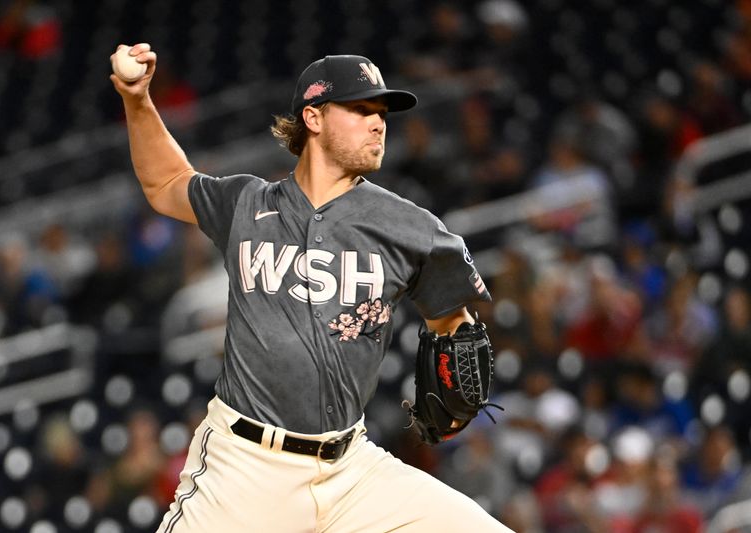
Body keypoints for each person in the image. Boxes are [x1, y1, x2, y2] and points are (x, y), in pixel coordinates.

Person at [111, 42, 512, 532]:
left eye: (382, 111)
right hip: (245, 468)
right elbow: (167, 181)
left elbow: (454, 324)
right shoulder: (246, 204)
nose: (378, 122)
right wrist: (137, 99)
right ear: (314, 118)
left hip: (352, 471)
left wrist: (459, 356)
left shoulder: (411, 228)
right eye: (361, 108)